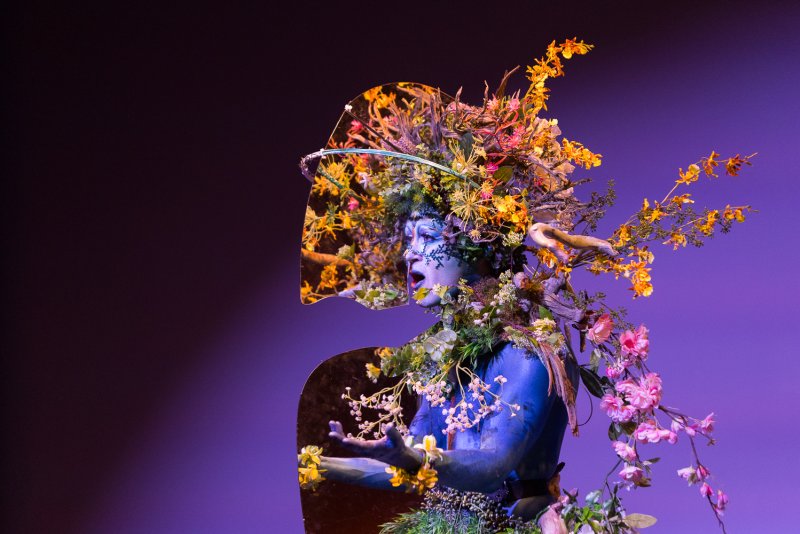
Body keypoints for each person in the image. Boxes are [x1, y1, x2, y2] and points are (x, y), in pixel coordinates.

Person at [319, 213, 577, 525]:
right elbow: (411, 456)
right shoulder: (444, 357)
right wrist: (316, 465)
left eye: (427, 236)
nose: (410, 252)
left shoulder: (530, 351)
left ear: (480, 248)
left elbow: (492, 466)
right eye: (409, 238)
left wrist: (418, 459)